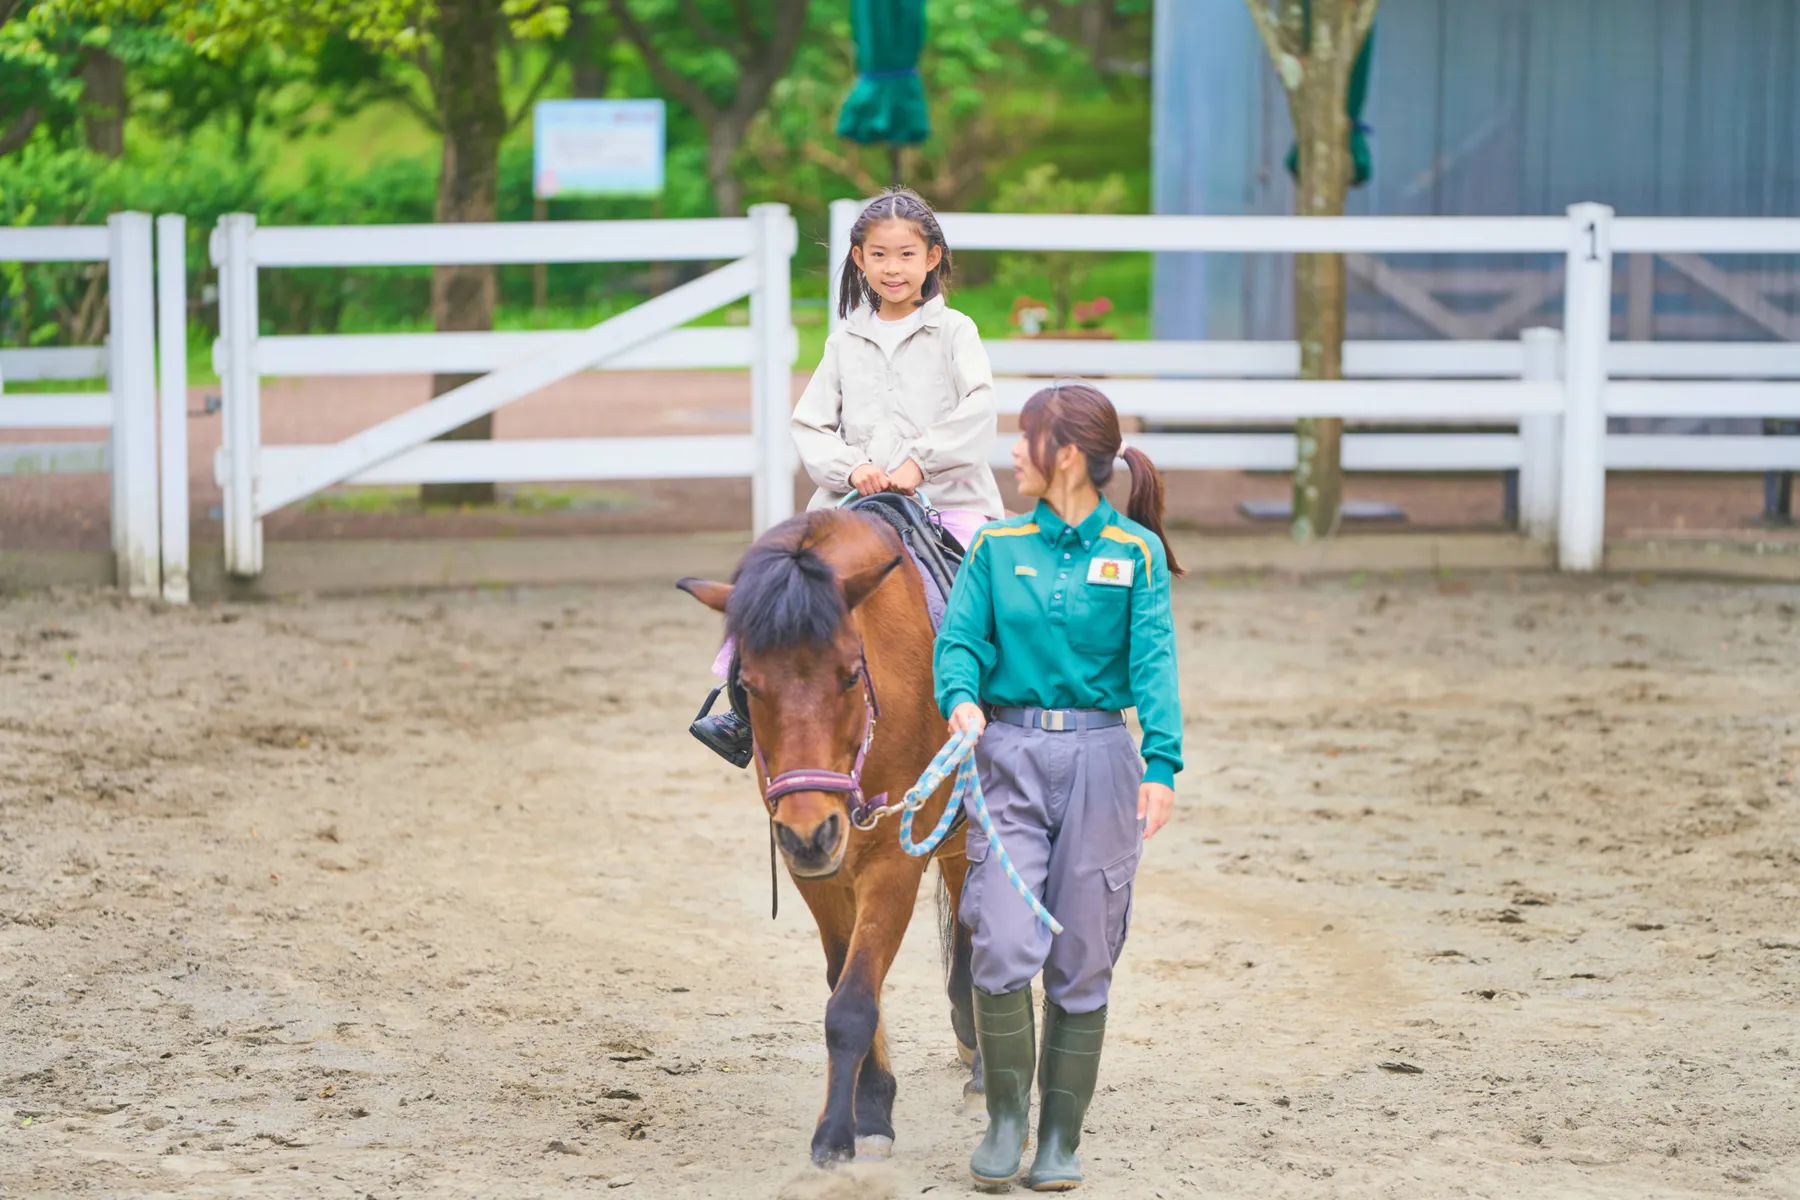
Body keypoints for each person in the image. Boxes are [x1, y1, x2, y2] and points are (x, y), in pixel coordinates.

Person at [934, 383, 1183, 1191]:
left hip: (1104, 761)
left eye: (1025, 438)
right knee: (1002, 941)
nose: (1012, 451)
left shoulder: (1137, 553)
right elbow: (961, 642)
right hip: (1004, 755)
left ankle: (1059, 1139)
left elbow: (1154, 668)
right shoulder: (997, 547)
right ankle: (1006, 1123)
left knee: (1082, 954)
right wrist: (962, 697)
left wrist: (1162, 767)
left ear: (1064, 454)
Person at [689, 188, 1005, 766]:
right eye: (879, 255)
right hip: (850, 499)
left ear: (932, 258)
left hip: (945, 496)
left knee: (986, 583)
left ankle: (1004, 702)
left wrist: (920, 463)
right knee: (778, 581)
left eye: (907, 255)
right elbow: (809, 423)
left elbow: (979, 408)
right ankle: (737, 706)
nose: (893, 268)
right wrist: (852, 467)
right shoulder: (844, 340)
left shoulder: (957, 332)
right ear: (859, 259)